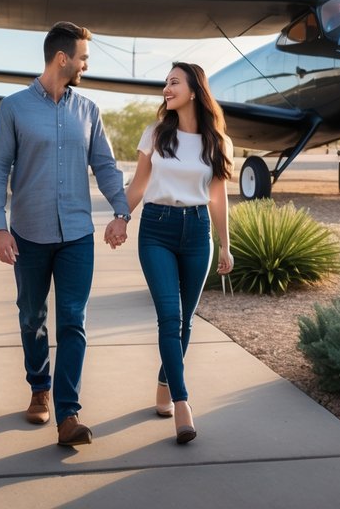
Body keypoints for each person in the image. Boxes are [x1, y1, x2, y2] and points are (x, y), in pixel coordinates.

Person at [0, 21, 130, 447]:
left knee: (74, 321)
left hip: (76, 236)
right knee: (32, 317)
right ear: (62, 58)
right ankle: (38, 387)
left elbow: (104, 165)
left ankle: (68, 414)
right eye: (84, 56)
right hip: (28, 234)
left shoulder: (88, 110)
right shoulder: (13, 107)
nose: (87, 64)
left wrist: (121, 209)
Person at [109, 61, 233, 444]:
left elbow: (218, 195)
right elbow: (139, 184)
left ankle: (165, 382)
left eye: (174, 81)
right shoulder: (156, 134)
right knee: (169, 315)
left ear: (194, 90)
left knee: (185, 322)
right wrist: (120, 218)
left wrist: (225, 243)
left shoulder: (217, 142)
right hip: (157, 230)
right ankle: (182, 403)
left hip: (197, 232)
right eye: (165, 82)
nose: (167, 87)